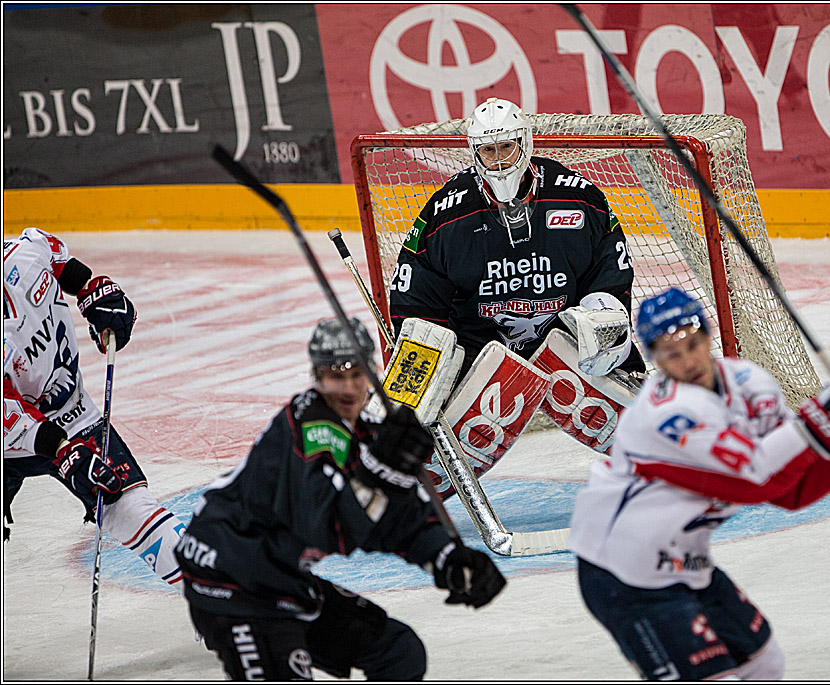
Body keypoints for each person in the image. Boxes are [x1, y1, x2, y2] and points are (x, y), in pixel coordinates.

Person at [566, 287, 830, 681]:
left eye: (693, 344)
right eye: (672, 353)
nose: (688, 361)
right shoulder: (662, 415)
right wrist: (822, 420)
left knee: (765, 665)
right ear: (655, 359)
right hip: (622, 570)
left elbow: (784, 489)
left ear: (707, 337)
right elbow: (754, 478)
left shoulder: (750, 384)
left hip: (687, 562)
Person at [175, 317, 506, 681]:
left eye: (356, 372)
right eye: (335, 375)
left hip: (281, 577)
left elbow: (400, 519)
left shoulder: (364, 432)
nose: (348, 388)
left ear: (374, 372)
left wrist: (447, 556)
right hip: (232, 580)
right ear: (317, 376)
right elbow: (323, 527)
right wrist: (380, 473)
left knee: (398, 652)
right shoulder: (309, 429)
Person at [387, 97, 647, 495]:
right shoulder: (446, 212)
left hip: (566, 343)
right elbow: (415, 301)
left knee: (606, 329)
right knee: (411, 390)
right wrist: (421, 378)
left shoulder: (577, 196)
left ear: (525, 143)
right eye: (488, 150)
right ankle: (397, 488)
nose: (499, 160)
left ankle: (665, 450)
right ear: (475, 153)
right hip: (480, 356)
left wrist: (605, 318)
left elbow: (610, 275)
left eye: (506, 146)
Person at [3, 226, 186, 588]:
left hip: (71, 411)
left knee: (129, 505)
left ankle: (220, 603)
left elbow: (55, 254)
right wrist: (61, 451)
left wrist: (92, 290)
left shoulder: (22, 255)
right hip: (13, 437)